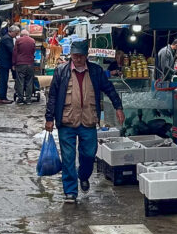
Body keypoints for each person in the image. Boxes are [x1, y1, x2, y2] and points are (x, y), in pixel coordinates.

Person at [45, 40, 125, 203]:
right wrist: (49, 118)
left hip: (88, 120)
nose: (78, 59)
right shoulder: (61, 71)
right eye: (75, 56)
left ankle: (83, 175)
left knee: (89, 154)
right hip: (66, 120)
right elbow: (53, 96)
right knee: (68, 157)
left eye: (81, 56)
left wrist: (118, 107)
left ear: (86, 56)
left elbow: (109, 88)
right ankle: (70, 192)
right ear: (71, 56)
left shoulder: (95, 71)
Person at [13, 29, 37, 104]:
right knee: (29, 81)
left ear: (21, 35)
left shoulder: (18, 41)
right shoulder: (32, 41)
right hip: (30, 63)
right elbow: (33, 51)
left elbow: (15, 52)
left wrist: (13, 64)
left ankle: (20, 98)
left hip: (20, 63)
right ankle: (28, 99)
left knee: (20, 81)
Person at [0, 25, 18, 104]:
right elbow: (11, 50)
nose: (16, 35)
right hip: (4, 62)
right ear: (11, 32)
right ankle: (2, 98)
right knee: (3, 80)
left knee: (4, 80)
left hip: (4, 62)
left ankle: (3, 97)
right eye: (16, 33)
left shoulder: (7, 38)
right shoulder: (7, 39)